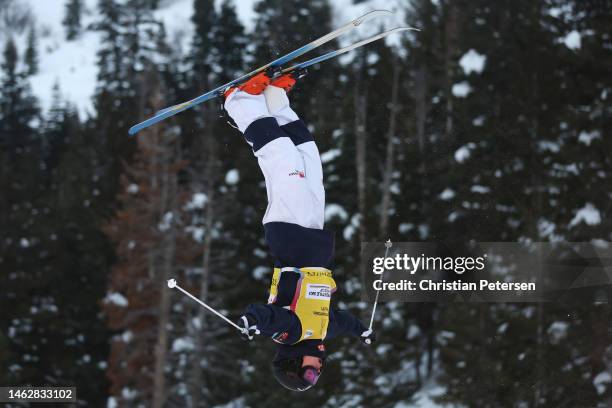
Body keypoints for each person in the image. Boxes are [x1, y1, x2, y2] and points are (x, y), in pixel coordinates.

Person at [223, 72, 376, 392]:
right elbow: (343, 322)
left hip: (290, 236)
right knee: (308, 160)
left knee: (284, 162)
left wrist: (251, 322)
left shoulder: (290, 332)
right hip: (315, 238)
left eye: (308, 375)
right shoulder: (321, 330)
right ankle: (275, 101)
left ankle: (238, 101)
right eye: (315, 377)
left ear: (292, 363)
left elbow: (266, 316)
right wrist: (361, 331)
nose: (316, 372)